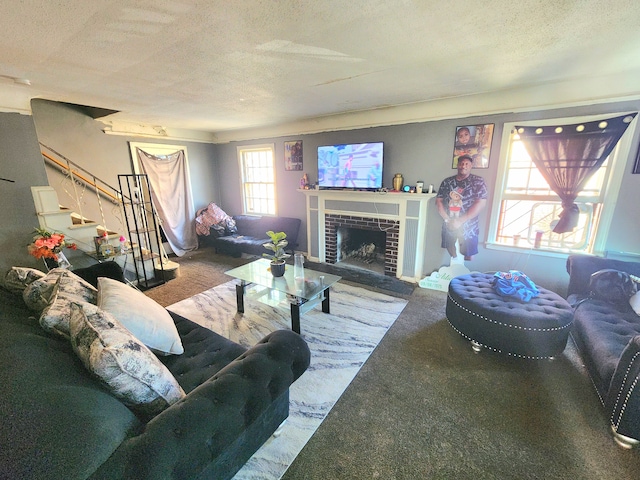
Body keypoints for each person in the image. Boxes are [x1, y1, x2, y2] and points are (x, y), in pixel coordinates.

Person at [436, 155, 487, 261]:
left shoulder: (478, 181)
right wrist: (447, 219)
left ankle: (464, 274)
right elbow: (439, 201)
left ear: (471, 165)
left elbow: (480, 203)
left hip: (469, 224)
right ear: (457, 165)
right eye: (461, 163)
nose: (463, 166)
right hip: (449, 221)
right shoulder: (447, 182)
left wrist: (460, 220)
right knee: (449, 244)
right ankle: (455, 263)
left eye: (466, 164)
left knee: (469, 254)